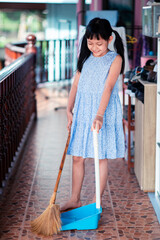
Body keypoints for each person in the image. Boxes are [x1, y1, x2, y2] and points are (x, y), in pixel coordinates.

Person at [61, 17, 125, 211]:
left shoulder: (115, 59)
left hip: (102, 111)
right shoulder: (86, 57)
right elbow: (76, 84)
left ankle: (97, 201)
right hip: (82, 109)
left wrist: (99, 115)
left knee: (100, 156)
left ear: (110, 39)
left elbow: (108, 87)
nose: (95, 47)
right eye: (90, 43)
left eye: (99, 43)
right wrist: (68, 108)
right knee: (77, 156)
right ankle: (74, 199)